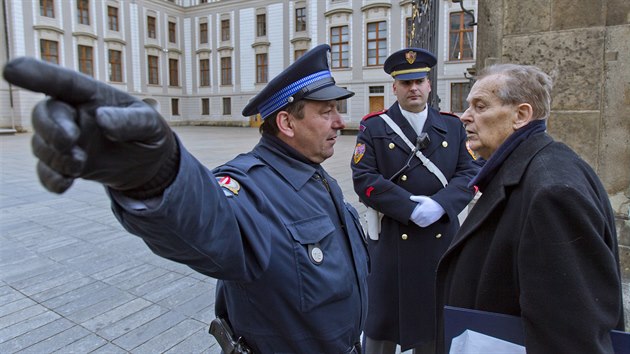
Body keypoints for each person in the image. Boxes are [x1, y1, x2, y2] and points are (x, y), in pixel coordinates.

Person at [2, 44, 369, 354]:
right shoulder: (251, 188)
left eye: (337, 110)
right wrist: (156, 176)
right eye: (327, 112)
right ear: (287, 124)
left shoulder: (316, 175)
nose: (340, 121)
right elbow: (211, 220)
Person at [435, 63, 625, 353]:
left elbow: (571, 338)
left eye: (480, 106)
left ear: (521, 115)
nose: (465, 116)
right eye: (468, 106)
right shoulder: (529, 168)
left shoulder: (552, 193)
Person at [350, 48, 479, 353]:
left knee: (433, 324)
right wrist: (408, 208)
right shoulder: (375, 127)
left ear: (429, 84)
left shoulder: (452, 126)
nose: (414, 88)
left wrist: (440, 205)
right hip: (392, 241)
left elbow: (470, 173)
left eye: (419, 81)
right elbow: (363, 178)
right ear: (394, 88)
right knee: (381, 324)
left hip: (440, 241)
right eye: (406, 83)